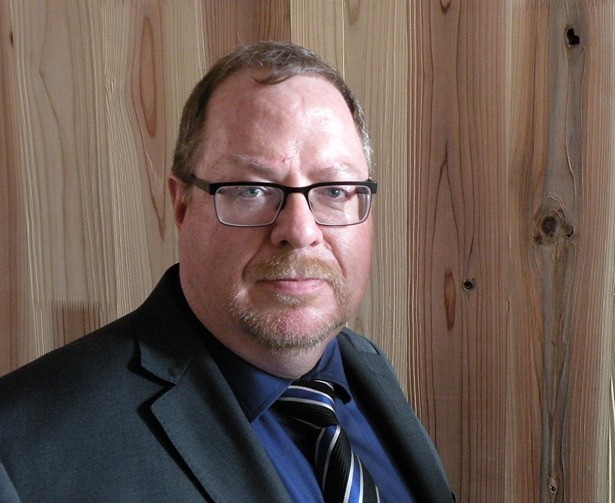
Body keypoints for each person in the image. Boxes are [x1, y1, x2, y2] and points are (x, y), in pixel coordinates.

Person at [0, 41, 454, 502]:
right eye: (252, 190)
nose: (299, 232)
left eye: (335, 191)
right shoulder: (18, 449)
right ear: (182, 204)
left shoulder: (368, 369)